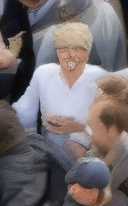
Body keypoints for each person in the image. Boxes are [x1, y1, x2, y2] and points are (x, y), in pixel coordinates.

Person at [13, 22, 108, 155]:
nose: (70, 54)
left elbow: (111, 125)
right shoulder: (43, 73)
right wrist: (31, 145)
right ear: (56, 52)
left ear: (88, 52)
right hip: (48, 144)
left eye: (78, 49)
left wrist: (82, 128)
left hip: (88, 146)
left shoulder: (102, 78)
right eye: (63, 49)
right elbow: (25, 109)